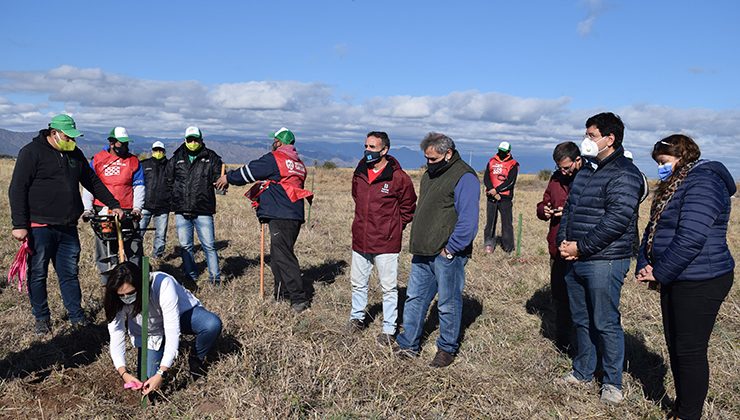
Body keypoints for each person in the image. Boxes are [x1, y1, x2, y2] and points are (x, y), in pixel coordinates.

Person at [635, 135, 735, 420]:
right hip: (677, 275)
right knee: (675, 345)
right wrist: (645, 262)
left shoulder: (703, 183)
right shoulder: (673, 185)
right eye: (657, 163)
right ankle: (681, 407)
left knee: (689, 350)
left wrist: (661, 271)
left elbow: (691, 238)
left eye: (664, 162)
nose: (660, 168)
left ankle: (688, 414)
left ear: (682, 157)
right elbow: (653, 229)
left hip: (702, 278)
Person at [556, 112, 643, 404]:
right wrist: (563, 243)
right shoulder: (586, 170)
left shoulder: (624, 174)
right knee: (581, 319)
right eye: (586, 134)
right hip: (575, 257)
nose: (586, 140)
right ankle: (583, 370)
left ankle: (612, 382)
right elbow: (571, 210)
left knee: (605, 321)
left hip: (605, 259)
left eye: (591, 135)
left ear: (610, 138)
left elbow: (617, 220)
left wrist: (581, 247)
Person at [8, 114, 123, 335]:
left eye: (73, 137)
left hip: (67, 226)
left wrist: (113, 204)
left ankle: (76, 316)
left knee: (69, 273)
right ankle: (42, 318)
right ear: (54, 133)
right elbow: (17, 189)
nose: (72, 141)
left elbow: (92, 181)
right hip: (39, 227)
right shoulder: (31, 153)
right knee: (38, 274)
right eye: (67, 137)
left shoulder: (74, 154)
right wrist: (19, 224)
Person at [394, 132, 479, 368]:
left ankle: (446, 348)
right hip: (423, 250)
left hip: (447, 253)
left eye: (433, 158)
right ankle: (408, 343)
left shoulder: (465, 177)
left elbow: (468, 220)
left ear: (448, 154)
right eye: (426, 158)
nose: (428, 163)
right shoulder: (429, 175)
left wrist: (451, 249)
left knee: (448, 302)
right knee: (415, 298)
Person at [215, 127, 313, 313]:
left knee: (283, 255)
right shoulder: (298, 162)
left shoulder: (276, 158)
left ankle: (298, 299)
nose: (272, 143)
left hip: (282, 213)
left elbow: (249, 172)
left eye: (274, 140)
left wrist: (228, 177)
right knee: (278, 254)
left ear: (278, 142)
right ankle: (281, 293)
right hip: (294, 212)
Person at [105, 262, 222, 395]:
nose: (126, 298)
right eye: (122, 295)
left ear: (140, 285)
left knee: (211, 324)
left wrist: (162, 372)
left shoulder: (163, 283)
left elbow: (172, 330)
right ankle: (161, 347)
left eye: (130, 293)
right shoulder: (116, 299)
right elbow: (116, 335)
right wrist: (123, 373)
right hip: (153, 331)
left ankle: (196, 358)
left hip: (182, 316)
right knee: (147, 382)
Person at [347, 131, 416, 345]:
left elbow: (408, 206)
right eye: (366, 146)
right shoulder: (359, 172)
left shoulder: (398, 177)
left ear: (384, 150)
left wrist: (394, 227)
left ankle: (388, 328)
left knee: (388, 287)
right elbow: (356, 197)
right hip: (361, 238)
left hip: (386, 241)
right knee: (358, 283)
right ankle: (356, 318)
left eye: (372, 147)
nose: (367, 151)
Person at [82, 126, 145, 285]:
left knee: (133, 247)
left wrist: (137, 208)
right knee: (104, 247)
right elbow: (90, 185)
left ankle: (134, 280)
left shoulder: (133, 161)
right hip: (103, 210)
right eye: (121, 143)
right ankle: (108, 282)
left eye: (126, 144)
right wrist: (87, 209)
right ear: (112, 143)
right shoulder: (98, 159)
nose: (124, 147)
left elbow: (139, 186)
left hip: (127, 210)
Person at [535, 141, 582, 352]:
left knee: (579, 299)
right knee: (560, 297)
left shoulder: (587, 179)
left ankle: (581, 342)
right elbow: (544, 200)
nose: (563, 171)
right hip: (556, 247)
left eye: (566, 167)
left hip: (578, 249)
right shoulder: (555, 179)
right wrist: (543, 210)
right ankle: (562, 342)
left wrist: (569, 212)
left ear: (577, 160)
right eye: (559, 167)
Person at [166, 127, 224, 285]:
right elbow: (168, 180)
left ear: (201, 139)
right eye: (190, 139)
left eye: (195, 139)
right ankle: (191, 276)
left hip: (203, 209)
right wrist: (174, 199)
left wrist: (221, 182)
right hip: (181, 209)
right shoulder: (176, 157)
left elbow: (219, 177)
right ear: (185, 140)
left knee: (209, 245)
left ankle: (215, 278)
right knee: (185, 246)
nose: (193, 143)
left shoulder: (211, 157)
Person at [482, 141, 519, 254]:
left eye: (503, 151)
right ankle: (489, 244)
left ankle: (508, 247)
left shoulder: (513, 164)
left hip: (505, 198)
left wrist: (497, 190)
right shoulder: (491, 161)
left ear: (508, 152)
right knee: (490, 222)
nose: (501, 153)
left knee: (506, 223)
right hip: (491, 196)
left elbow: (511, 182)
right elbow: (486, 178)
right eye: (500, 151)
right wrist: (491, 189)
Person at [139, 141, 170, 259]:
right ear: (152, 151)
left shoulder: (169, 166)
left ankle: (157, 257)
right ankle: (137, 256)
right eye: (156, 150)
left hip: (163, 207)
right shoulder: (144, 165)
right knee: (138, 233)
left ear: (164, 151)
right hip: (145, 205)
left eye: (160, 150)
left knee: (161, 235)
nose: (158, 152)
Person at [623, 149, 650, 257]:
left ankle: (632, 252)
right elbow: (646, 191)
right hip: (634, 205)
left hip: (631, 205)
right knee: (633, 228)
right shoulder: (639, 174)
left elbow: (645, 191)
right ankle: (633, 252)